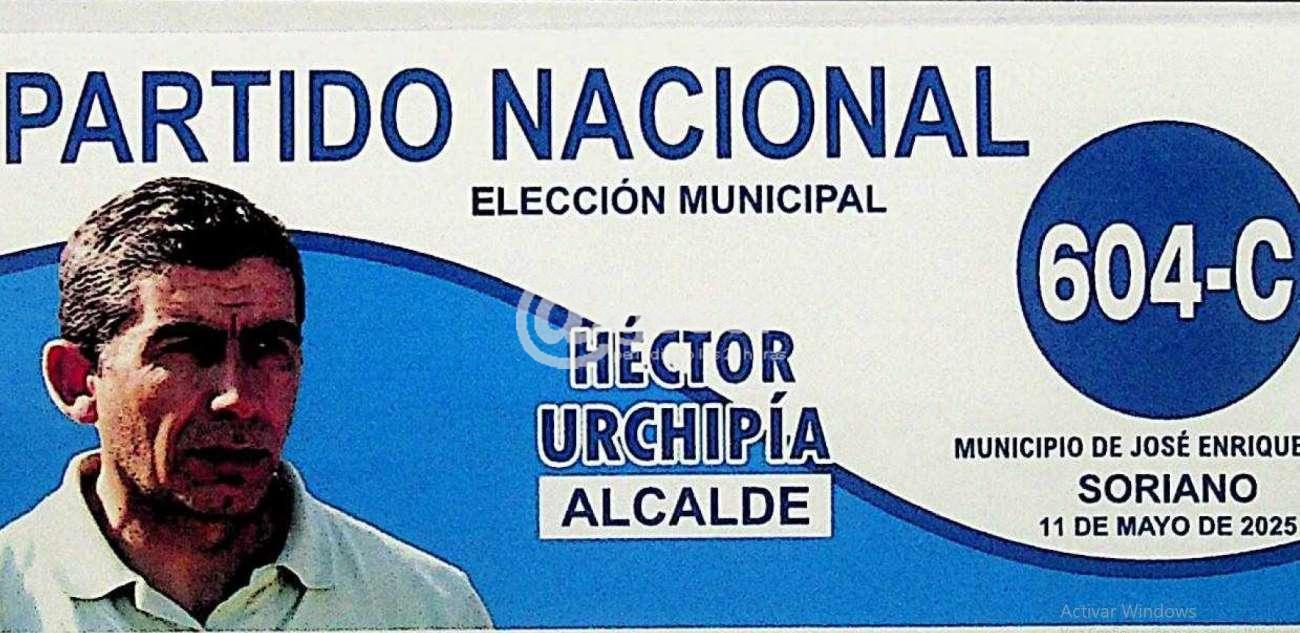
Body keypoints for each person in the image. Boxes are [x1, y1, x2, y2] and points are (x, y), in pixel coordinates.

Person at [0, 178, 493, 631]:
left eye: (268, 349)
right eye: (186, 351)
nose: (235, 397)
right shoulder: (13, 599)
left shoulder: (427, 609)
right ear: (76, 381)